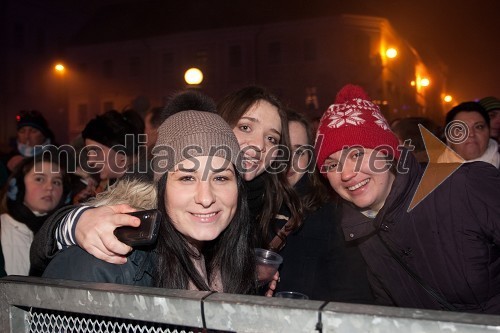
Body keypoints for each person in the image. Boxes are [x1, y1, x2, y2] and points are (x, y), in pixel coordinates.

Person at [314, 84, 500, 313]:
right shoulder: (360, 232)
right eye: (332, 165)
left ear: (387, 153)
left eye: (357, 154)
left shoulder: (465, 185)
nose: (346, 174)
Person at [43, 110, 258, 294]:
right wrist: (74, 221)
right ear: (161, 188)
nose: (206, 197)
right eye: (187, 178)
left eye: (221, 178)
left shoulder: (232, 260)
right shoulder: (108, 263)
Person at [274, 110, 374, 303]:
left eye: (300, 151)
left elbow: (352, 297)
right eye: (281, 149)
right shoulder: (240, 210)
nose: (289, 160)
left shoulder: (332, 217)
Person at [217, 85, 302, 248]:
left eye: (271, 138)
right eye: (245, 127)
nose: (258, 145)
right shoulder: (182, 198)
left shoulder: (281, 217)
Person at [0, 150, 70, 275]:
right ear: (18, 186)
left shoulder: (66, 234)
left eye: (56, 182)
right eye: (39, 179)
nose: (49, 187)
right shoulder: (2, 227)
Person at [81, 110, 143, 185]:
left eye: (96, 150)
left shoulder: (143, 191)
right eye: (88, 152)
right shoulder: (113, 187)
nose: (90, 161)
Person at [0, 110, 55, 187]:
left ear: (43, 135)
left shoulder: (58, 158)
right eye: (22, 131)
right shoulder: (7, 161)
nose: (27, 136)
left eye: (33, 131)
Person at [438, 101, 499, 168]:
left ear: (489, 132)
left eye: (479, 127)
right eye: (461, 128)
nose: (471, 134)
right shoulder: (430, 173)